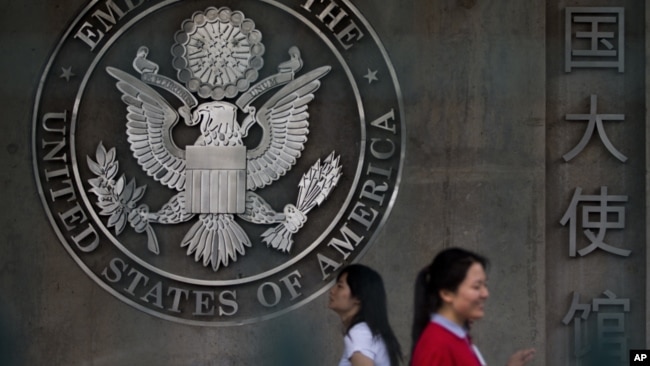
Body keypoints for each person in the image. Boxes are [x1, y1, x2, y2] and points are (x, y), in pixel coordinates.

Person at [410, 247, 536, 366]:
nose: (485, 294)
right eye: (476, 287)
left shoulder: (456, 338)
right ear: (446, 294)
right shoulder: (437, 345)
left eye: (485, 285)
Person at [329, 264, 403, 366]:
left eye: (340, 286)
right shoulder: (365, 332)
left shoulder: (358, 334)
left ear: (358, 298)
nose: (332, 290)